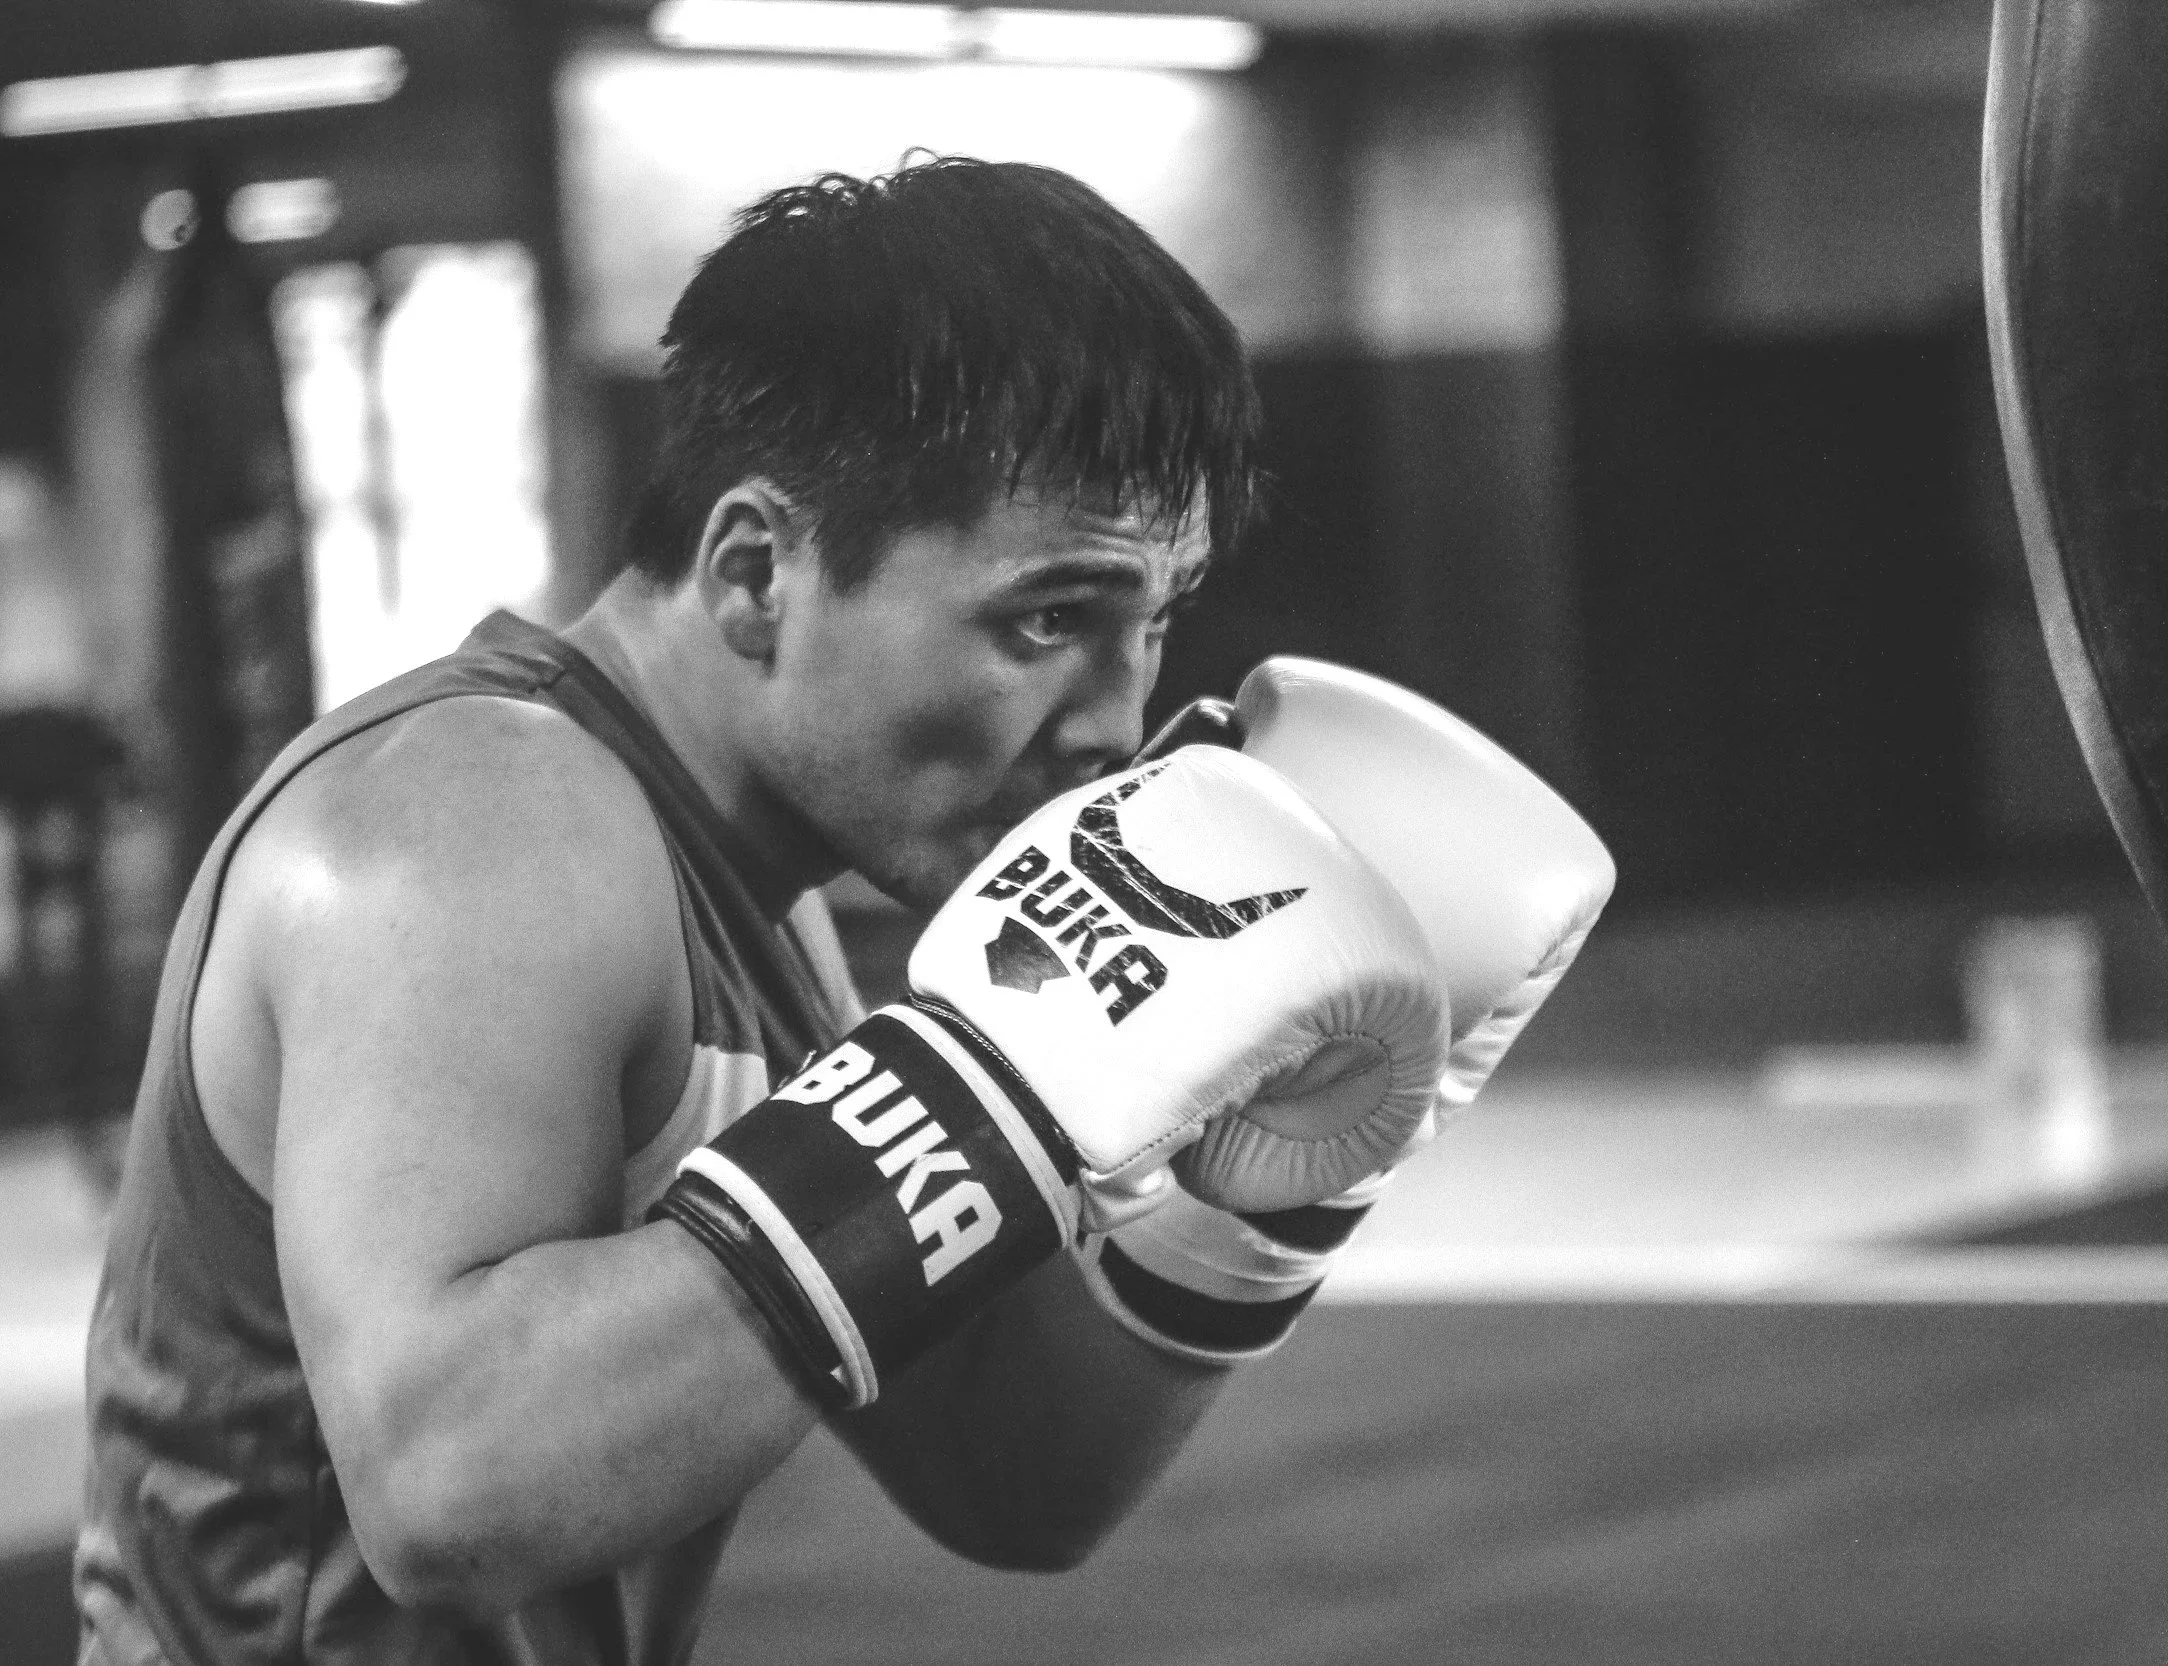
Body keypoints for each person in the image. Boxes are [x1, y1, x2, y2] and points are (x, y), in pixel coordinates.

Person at [74, 158, 1434, 1666]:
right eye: (1048, 619)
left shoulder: (757, 899)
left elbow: (1009, 1475)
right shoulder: (479, 817)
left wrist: (1254, 1201)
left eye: (1153, 622)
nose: (1115, 725)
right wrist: (986, 1095)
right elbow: (449, 1484)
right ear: (753, 573)